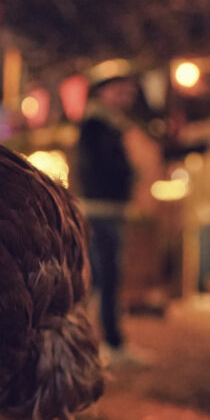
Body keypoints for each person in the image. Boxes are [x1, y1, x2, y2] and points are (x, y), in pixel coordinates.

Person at [75, 74, 141, 366]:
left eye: (130, 91)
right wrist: (128, 174)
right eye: (120, 90)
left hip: (104, 209)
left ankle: (95, 342)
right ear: (103, 92)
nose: (126, 96)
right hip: (101, 209)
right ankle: (108, 343)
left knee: (101, 278)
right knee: (104, 278)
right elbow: (102, 167)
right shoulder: (96, 125)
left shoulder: (106, 124)